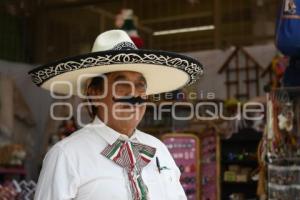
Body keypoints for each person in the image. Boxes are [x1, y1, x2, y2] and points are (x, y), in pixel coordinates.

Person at [29, 30, 203, 200]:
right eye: (122, 85)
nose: (134, 94)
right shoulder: (66, 155)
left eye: (140, 85)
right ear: (95, 93)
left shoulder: (159, 150)